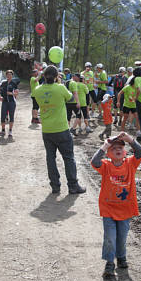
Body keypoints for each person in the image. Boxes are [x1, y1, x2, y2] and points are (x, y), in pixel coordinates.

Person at [90, 132, 141, 278]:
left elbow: (140, 152)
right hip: (108, 208)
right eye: (113, 148)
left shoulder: (130, 163)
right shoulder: (106, 165)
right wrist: (104, 145)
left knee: (122, 237)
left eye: (120, 147)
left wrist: (129, 139)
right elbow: (95, 161)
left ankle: (121, 257)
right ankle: (109, 263)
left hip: (125, 209)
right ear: (108, 153)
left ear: (125, 152)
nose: (117, 150)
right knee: (110, 237)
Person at [32, 65, 86, 194]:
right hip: (61, 128)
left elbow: (36, 105)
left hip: (47, 130)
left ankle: (55, 186)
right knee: (68, 158)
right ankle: (73, 186)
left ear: (44, 76)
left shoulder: (37, 90)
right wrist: (60, 84)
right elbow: (71, 100)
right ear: (57, 77)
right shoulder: (61, 88)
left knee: (50, 158)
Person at [0, 70, 19, 137]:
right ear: (6, 75)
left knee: (11, 116)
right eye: (8, 75)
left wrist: (11, 93)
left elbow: (16, 93)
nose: (9, 76)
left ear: (12, 76)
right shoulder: (3, 83)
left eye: (10, 75)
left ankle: (10, 131)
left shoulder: (14, 83)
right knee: (3, 116)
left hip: (12, 102)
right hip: (5, 102)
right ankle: (3, 130)